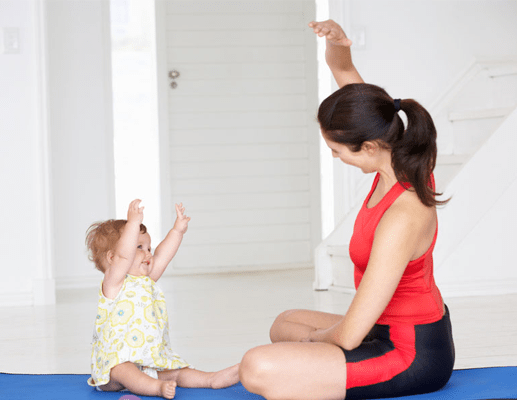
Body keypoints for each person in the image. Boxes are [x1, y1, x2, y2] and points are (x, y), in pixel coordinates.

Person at [238, 20, 455, 400]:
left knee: (257, 366)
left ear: (369, 147)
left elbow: (351, 335)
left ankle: (307, 365)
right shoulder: (397, 153)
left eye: (337, 151)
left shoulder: (402, 216)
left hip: (410, 354)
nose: (335, 157)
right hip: (379, 325)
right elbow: (347, 80)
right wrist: (340, 45)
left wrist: (313, 342)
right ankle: (309, 360)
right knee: (282, 324)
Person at [86, 199, 239, 399]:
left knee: (176, 371)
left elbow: (163, 256)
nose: (148, 253)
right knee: (124, 370)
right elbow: (125, 257)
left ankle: (211, 379)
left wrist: (177, 231)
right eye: (139, 246)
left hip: (148, 363)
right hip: (113, 369)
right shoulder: (114, 282)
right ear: (112, 258)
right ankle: (156, 388)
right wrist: (132, 224)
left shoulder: (146, 280)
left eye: (148, 247)